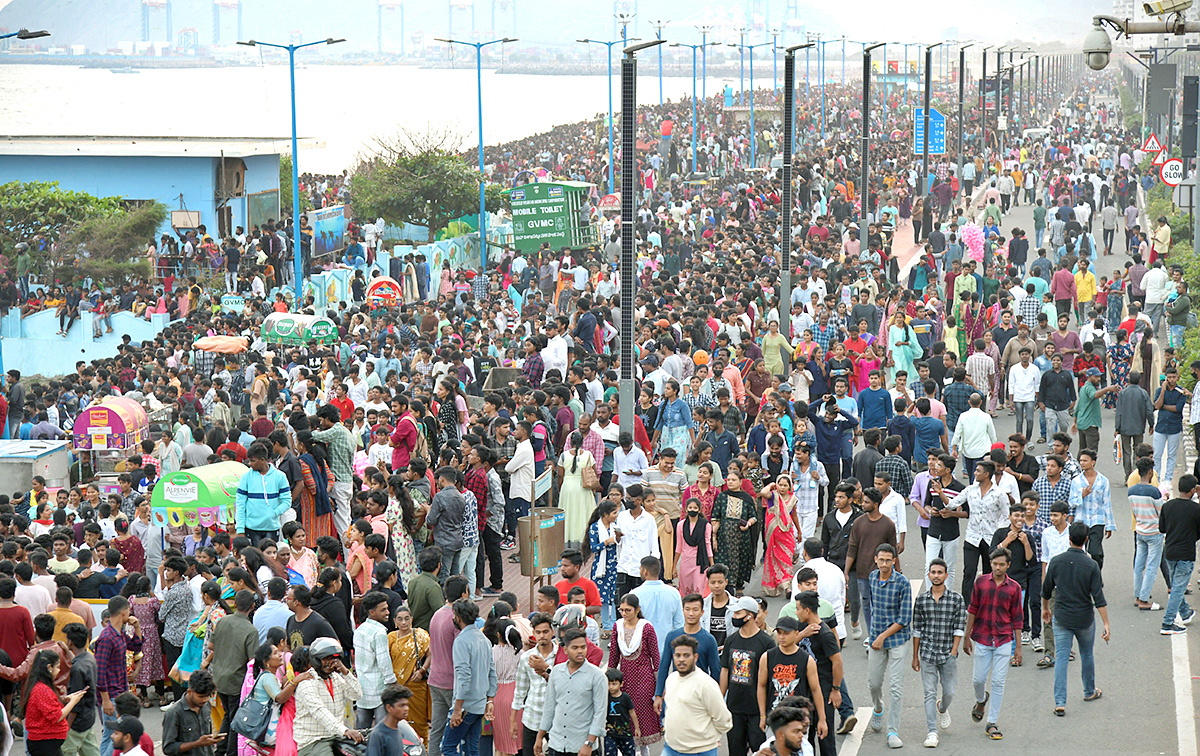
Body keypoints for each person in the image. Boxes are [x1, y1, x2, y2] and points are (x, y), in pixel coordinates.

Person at [1042, 522, 1110, 715]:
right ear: (1086, 540)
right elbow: (1098, 598)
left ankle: (1060, 702)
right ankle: (1089, 690)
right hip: (1084, 618)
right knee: (1087, 654)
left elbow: (1046, 590)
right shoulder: (1091, 565)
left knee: (1061, 656)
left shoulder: (1056, 561)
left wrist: (1045, 609)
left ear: (1069, 538)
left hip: (1062, 615)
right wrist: (1106, 623)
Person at [963, 547, 1022, 741]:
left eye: (1002, 564)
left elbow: (1017, 619)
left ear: (1008, 566)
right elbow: (972, 608)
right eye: (995, 564)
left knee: (998, 682)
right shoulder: (980, 583)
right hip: (982, 637)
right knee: (978, 680)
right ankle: (981, 700)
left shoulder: (1014, 588)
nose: (998, 567)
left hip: (1004, 639)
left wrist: (1018, 648)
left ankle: (992, 722)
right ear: (991, 564)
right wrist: (966, 636)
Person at [911, 558, 965, 749]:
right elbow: (916, 630)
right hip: (927, 654)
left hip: (947, 654)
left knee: (949, 692)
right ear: (929, 575)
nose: (936, 576)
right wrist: (915, 656)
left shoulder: (956, 599)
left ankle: (942, 709)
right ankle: (931, 731)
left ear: (946, 575)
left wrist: (953, 652)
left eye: (939, 572)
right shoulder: (921, 600)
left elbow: (959, 628)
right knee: (929, 693)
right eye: (933, 572)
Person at [535, 629, 607, 756]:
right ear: (565, 650)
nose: (580, 651)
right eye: (575, 647)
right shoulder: (556, 672)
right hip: (556, 745)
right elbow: (549, 707)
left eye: (583, 647)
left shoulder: (597, 676)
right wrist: (540, 737)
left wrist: (589, 744)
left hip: (582, 748)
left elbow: (600, 713)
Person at [718, 596, 774, 756]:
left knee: (759, 750)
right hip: (734, 707)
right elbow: (725, 670)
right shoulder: (731, 641)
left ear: (749, 615)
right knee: (735, 750)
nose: (734, 617)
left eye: (738, 613)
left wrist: (766, 711)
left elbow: (769, 679)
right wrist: (720, 698)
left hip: (756, 709)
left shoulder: (766, 643)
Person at [661, 634, 732, 756]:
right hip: (670, 748)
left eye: (686, 655)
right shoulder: (671, 679)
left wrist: (711, 739)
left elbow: (724, 719)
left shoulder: (706, 684)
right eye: (678, 655)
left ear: (695, 657)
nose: (681, 659)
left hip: (700, 751)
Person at [607, 593, 662, 751]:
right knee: (624, 715)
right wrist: (609, 680)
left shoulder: (646, 628)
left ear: (637, 610)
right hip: (625, 679)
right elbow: (613, 657)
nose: (624, 614)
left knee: (642, 715)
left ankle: (645, 751)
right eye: (621, 610)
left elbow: (655, 657)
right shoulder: (618, 627)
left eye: (628, 610)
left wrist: (659, 686)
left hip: (644, 679)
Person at [443, 599, 497, 756]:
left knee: (448, 747)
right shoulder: (484, 640)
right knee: (471, 748)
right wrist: (489, 699)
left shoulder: (461, 641)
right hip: (479, 705)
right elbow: (492, 672)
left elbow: (463, 677)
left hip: (465, 706)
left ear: (458, 617)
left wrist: (457, 708)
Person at [208, 590, 260, 756]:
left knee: (228, 717)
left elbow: (211, 645)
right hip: (236, 681)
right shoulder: (251, 630)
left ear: (235, 604)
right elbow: (253, 661)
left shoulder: (223, 621)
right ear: (252, 606)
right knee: (234, 719)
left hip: (219, 678)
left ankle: (221, 750)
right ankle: (230, 752)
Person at [292, 638, 364, 756]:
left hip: (335, 736)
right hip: (314, 741)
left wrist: (345, 672)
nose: (330, 663)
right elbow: (320, 712)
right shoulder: (307, 683)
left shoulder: (336, 678)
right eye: (325, 659)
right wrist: (345, 730)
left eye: (333, 658)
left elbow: (356, 694)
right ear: (315, 660)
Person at [654, 593, 721, 714]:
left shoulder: (709, 639)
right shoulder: (672, 636)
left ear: (702, 612)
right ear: (682, 611)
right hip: (677, 692)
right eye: (687, 609)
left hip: (700, 695)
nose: (691, 614)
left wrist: (715, 697)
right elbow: (663, 666)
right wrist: (658, 694)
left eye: (695, 610)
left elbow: (715, 671)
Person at [96, 596, 144, 756]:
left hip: (120, 694)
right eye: (128, 610)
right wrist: (105, 699)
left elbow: (136, 645)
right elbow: (100, 671)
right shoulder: (107, 638)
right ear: (123, 612)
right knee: (115, 737)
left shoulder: (119, 634)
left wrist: (137, 627)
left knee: (109, 736)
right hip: (112, 696)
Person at [23, 649, 88, 756]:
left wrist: (65, 699)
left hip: (48, 742)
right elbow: (57, 716)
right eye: (57, 667)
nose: (59, 671)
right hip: (44, 743)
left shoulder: (41, 687)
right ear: (49, 667)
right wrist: (73, 702)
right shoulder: (42, 689)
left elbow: (48, 707)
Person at [1159, 475, 1200, 635]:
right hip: (1186, 553)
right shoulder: (1196, 509)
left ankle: (1185, 612)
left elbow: (1162, 528)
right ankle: (1168, 622)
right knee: (1178, 588)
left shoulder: (1167, 506)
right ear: (1192, 490)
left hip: (1169, 551)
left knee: (1177, 585)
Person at [513, 613, 556, 756]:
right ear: (533, 633)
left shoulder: (561, 655)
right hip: (532, 718)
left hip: (555, 719)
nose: (542, 635)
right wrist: (513, 720)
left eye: (545, 631)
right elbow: (520, 690)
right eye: (538, 632)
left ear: (553, 632)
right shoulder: (526, 657)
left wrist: (546, 667)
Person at [354, 592, 397, 728]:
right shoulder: (379, 633)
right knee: (382, 731)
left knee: (361, 731)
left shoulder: (360, 630)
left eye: (387, 608)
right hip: (379, 690)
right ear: (372, 612)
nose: (387, 612)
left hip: (362, 689)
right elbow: (384, 663)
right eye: (383, 610)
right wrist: (393, 683)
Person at [629, 556, 683, 657]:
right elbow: (679, 624)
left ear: (645, 571)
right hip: (667, 649)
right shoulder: (674, 593)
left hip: (642, 649)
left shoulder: (635, 594)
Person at [162, 668, 222, 756]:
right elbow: (168, 748)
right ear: (190, 692)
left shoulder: (206, 705)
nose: (205, 700)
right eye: (201, 697)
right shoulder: (174, 713)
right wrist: (197, 744)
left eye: (207, 696)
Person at [61, 623, 97, 756]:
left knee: (66, 751)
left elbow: (76, 703)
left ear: (70, 641)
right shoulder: (89, 658)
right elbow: (77, 660)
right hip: (89, 717)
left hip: (77, 723)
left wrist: (67, 727)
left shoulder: (77, 669)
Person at [1153, 367, 1188, 487]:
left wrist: (1164, 406)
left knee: (1171, 455)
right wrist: (1163, 391)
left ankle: (1168, 479)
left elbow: (1177, 408)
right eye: (1169, 377)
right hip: (1161, 427)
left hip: (1174, 427)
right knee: (1157, 454)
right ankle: (1156, 477)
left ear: (1177, 377)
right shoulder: (1159, 390)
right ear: (1166, 378)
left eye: (1174, 377)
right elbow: (1157, 405)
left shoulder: (1181, 392)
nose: (1172, 380)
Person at [366, 685, 416, 756]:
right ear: (389, 707)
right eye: (401, 705)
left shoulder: (398, 731)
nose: (406, 709)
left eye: (407, 705)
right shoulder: (378, 735)